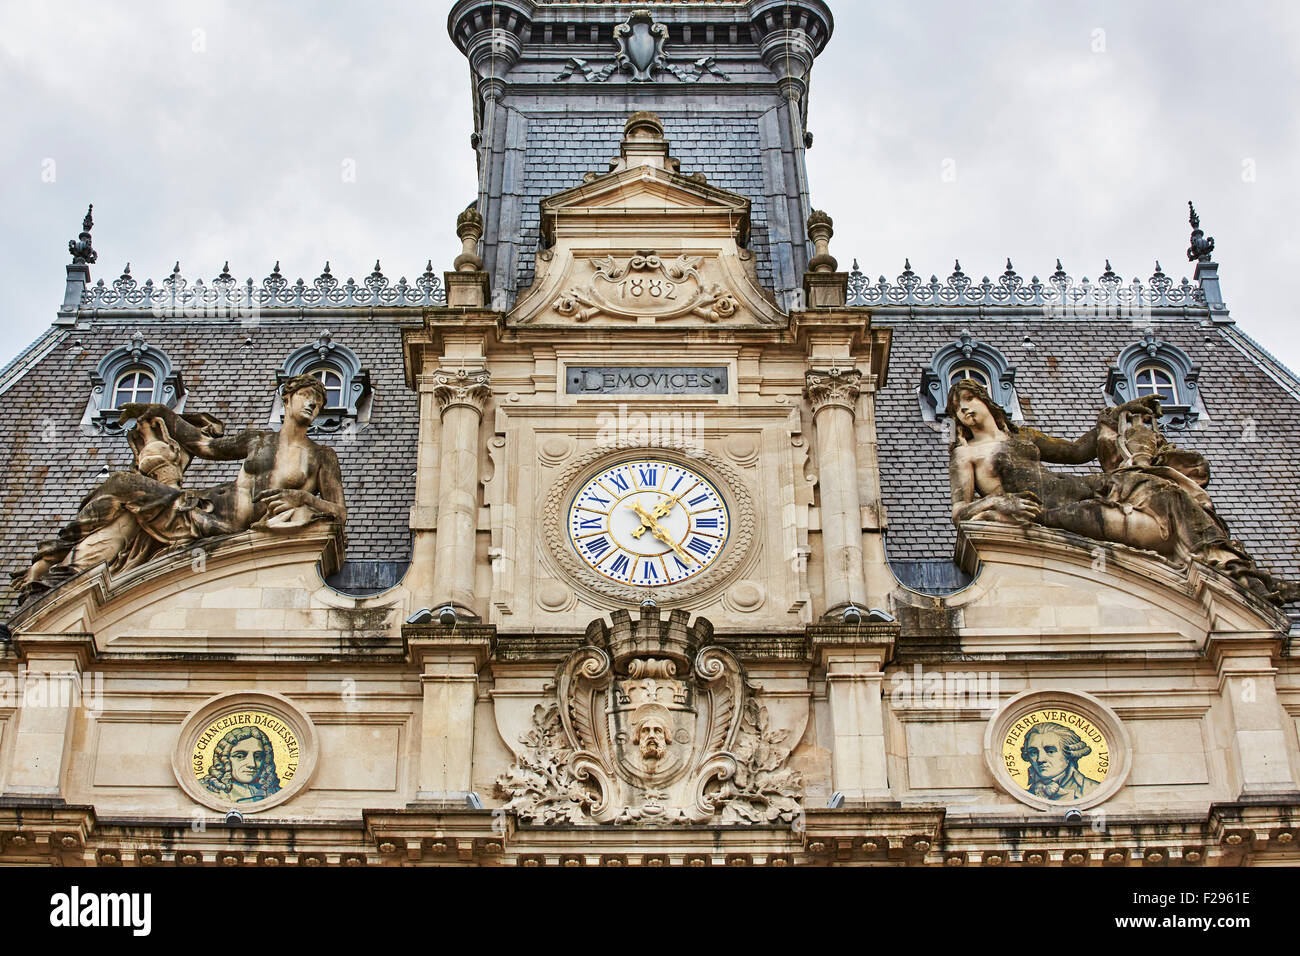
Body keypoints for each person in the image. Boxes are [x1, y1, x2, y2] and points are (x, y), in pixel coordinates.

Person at [946, 379, 1298, 605]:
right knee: (1151, 501)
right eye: (957, 409)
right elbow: (960, 510)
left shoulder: (1020, 437)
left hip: (1078, 488)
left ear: (984, 400)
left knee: (1163, 489)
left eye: (967, 399)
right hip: (1051, 512)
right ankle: (1230, 582)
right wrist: (999, 501)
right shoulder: (966, 455)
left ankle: (1235, 572)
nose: (963, 410)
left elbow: (1076, 452)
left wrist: (1116, 415)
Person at [198, 726, 282, 803]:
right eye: (240, 756)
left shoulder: (276, 793)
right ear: (224, 759)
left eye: (258, 757)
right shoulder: (205, 791)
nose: (252, 764)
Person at [1020, 722, 1100, 801]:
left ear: (1069, 754)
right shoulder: (1023, 794)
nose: (1040, 759)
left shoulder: (1094, 790)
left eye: (1050, 751)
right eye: (1033, 752)